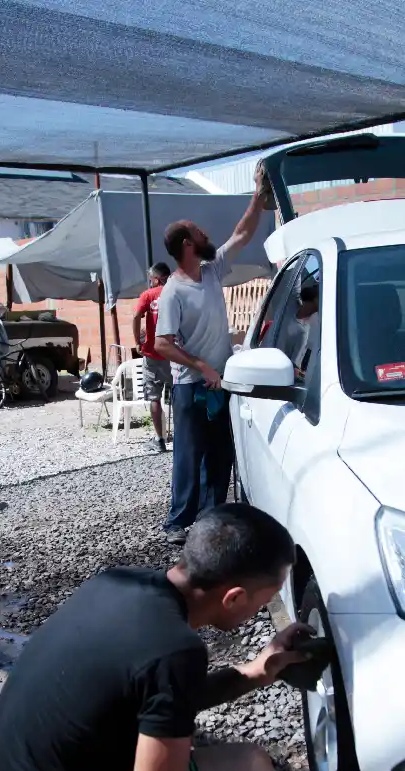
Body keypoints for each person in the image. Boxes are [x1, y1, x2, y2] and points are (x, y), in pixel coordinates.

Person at [0, 504, 310, 771]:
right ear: (233, 598)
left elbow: (157, 695)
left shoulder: (117, 583)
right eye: (264, 600)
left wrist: (255, 671)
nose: (259, 612)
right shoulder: (175, 651)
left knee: (173, 753)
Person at [155, 167, 272, 545]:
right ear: (187, 243)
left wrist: (258, 195)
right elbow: (162, 343)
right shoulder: (173, 291)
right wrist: (200, 365)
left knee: (220, 455)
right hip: (191, 387)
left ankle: (211, 519)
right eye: (200, 233)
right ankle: (177, 522)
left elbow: (242, 234)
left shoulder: (210, 272)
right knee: (189, 456)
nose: (207, 236)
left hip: (219, 382)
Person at [132, 262, 173, 453]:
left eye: (151, 279)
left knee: (155, 397)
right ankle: (183, 438)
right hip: (175, 353)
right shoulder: (177, 291)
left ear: (156, 279)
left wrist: (137, 342)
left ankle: (159, 440)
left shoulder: (148, 295)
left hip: (153, 353)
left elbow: (135, 317)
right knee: (178, 396)